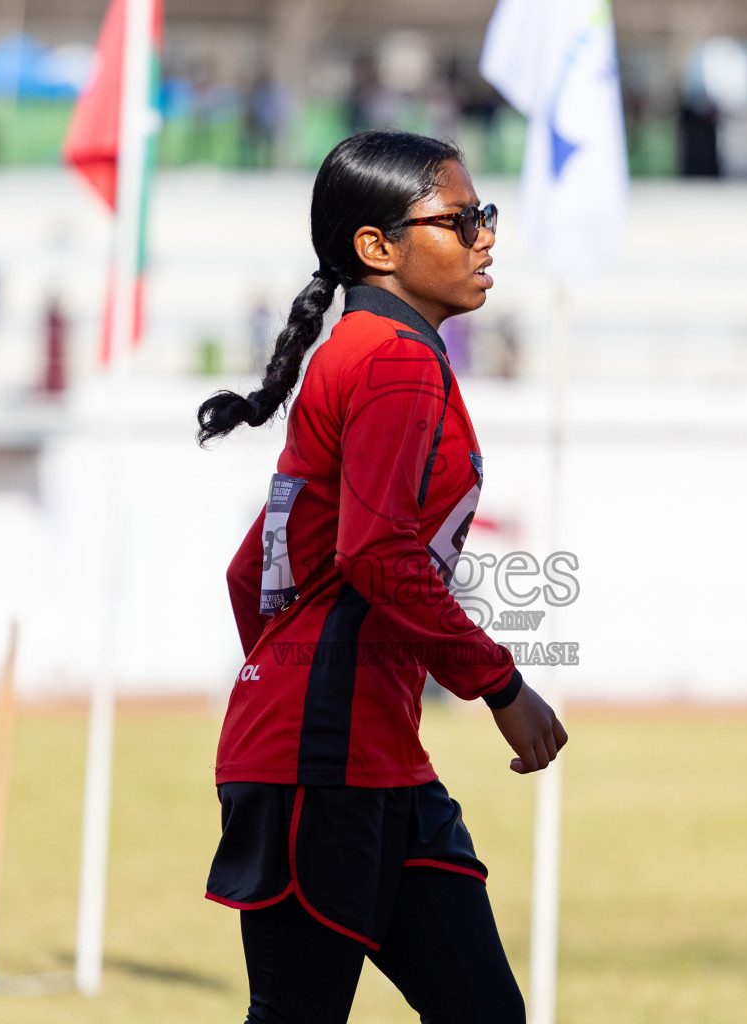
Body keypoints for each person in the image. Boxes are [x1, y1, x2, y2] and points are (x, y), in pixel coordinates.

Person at [197, 129, 567, 1024]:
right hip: (325, 763)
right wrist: (502, 685)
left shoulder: (366, 351)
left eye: (485, 215)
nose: (485, 236)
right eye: (460, 218)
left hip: (366, 758)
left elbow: (254, 573)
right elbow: (377, 553)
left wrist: (303, 683)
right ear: (377, 247)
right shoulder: (393, 359)